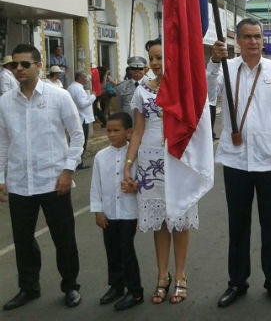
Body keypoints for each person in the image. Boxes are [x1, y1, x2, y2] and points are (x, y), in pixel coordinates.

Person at [208, 18, 271, 308]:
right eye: (247, 37)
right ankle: (237, 282)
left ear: (263, 40)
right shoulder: (226, 68)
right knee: (238, 226)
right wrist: (212, 62)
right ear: (238, 42)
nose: (253, 42)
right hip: (236, 161)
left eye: (257, 36)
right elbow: (208, 96)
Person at [0, 43, 83, 310]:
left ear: (39, 65)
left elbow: (78, 134)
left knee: (64, 237)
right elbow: (2, 142)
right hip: (20, 183)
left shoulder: (58, 96)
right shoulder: (5, 101)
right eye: (15, 65)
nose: (19, 69)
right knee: (23, 240)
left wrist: (68, 170)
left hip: (54, 180)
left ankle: (70, 286)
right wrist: (1, 178)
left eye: (25, 64)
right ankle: (29, 287)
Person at [123, 38, 198, 305]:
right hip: (149, 163)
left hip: (178, 161)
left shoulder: (183, 88)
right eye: (151, 58)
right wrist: (128, 165)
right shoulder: (142, 90)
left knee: (180, 219)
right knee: (160, 222)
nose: (154, 63)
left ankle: (180, 276)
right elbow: (139, 131)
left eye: (159, 58)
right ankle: (162, 276)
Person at [90, 112, 143, 311]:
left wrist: (135, 185)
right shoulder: (101, 157)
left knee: (126, 250)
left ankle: (135, 291)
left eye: (116, 131)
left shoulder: (135, 154)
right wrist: (98, 211)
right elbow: (96, 186)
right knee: (111, 250)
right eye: (109, 130)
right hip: (109, 212)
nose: (111, 134)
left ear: (128, 132)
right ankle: (116, 286)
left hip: (129, 213)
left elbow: (143, 180)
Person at [68, 72, 96, 170]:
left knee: (76, 140)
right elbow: (83, 104)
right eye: (85, 77)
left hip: (77, 117)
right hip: (82, 118)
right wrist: (93, 96)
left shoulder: (72, 87)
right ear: (80, 78)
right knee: (81, 141)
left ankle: (75, 162)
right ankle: (78, 162)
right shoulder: (78, 88)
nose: (86, 80)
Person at [116, 56, 148, 124]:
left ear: (144, 70)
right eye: (133, 68)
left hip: (147, 123)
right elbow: (120, 107)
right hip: (129, 123)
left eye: (140, 68)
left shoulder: (152, 85)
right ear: (129, 70)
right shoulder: (121, 87)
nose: (137, 71)